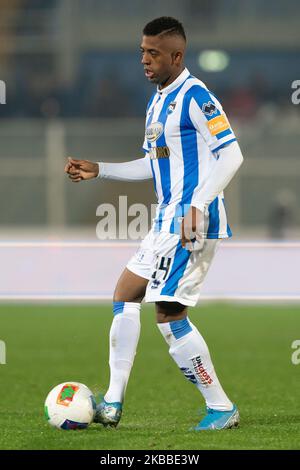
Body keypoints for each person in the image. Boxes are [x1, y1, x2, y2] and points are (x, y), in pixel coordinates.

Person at [65, 16, 244, 431]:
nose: (144, 60)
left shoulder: (196, 96)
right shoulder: (158, 100)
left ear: (176, 56)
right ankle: (112, 402)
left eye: (153, 53)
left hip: (192, 220)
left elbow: (231, 154)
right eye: (142, 52)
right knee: (126, 292)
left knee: (168, 313)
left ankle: (221, 407)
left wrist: (197, 206)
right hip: (167, 219)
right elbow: (152, 162)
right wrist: (101, 169)